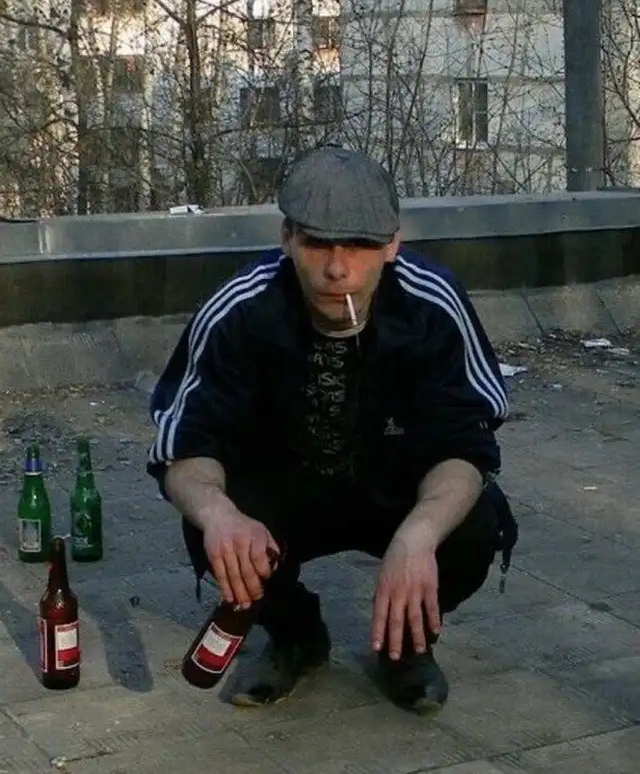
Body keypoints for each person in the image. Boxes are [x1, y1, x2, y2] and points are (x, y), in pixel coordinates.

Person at [146, 146, 518, 714]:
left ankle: (406, 642)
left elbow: (466, 441)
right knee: (211, 526)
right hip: (285, 489)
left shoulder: (430, 304)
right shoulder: (241, 310)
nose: (338, 269)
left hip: (395, 487)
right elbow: (185, 444)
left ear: (392, 244)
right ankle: (294, 634)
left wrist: (419, 536)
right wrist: (219, 516)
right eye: (318, 243)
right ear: (287, 239)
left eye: (360, 246)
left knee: (473, 523)